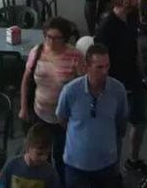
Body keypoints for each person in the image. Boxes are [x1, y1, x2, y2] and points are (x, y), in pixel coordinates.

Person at [94, 0, 147, 176]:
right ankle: (112, 168)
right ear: (125, 2)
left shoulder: (133, 16)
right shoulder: (106, 27)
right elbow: (99, 61)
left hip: (133, 80)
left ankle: (133, 160)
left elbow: (136, 45)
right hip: (114, 84)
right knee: (115, 131)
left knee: (140, 122)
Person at [56, 43, 128, 188]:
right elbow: (62, 118)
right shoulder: (71, 91)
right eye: (99, 67)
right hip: (76, 164)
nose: (105, 71)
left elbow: (121, 122)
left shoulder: (118, 90)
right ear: (87, 66)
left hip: (107, 163)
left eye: (107, 66)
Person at [21, 16, 83, 182]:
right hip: (40, 113)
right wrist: (23, 107)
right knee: (40, 156)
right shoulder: (37, 51)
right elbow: (26, 80)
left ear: (65, 38)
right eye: (48, 37)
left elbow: (82, 88)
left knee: (62, 156)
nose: (51, 41)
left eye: (57, 38)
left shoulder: (75, 56)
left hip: (64, 119)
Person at [2, 122, 62, 188]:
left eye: (47, 153)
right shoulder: (11, 165)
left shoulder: (50, 172)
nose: (44, 158)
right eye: (39, 153)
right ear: (27, 146)